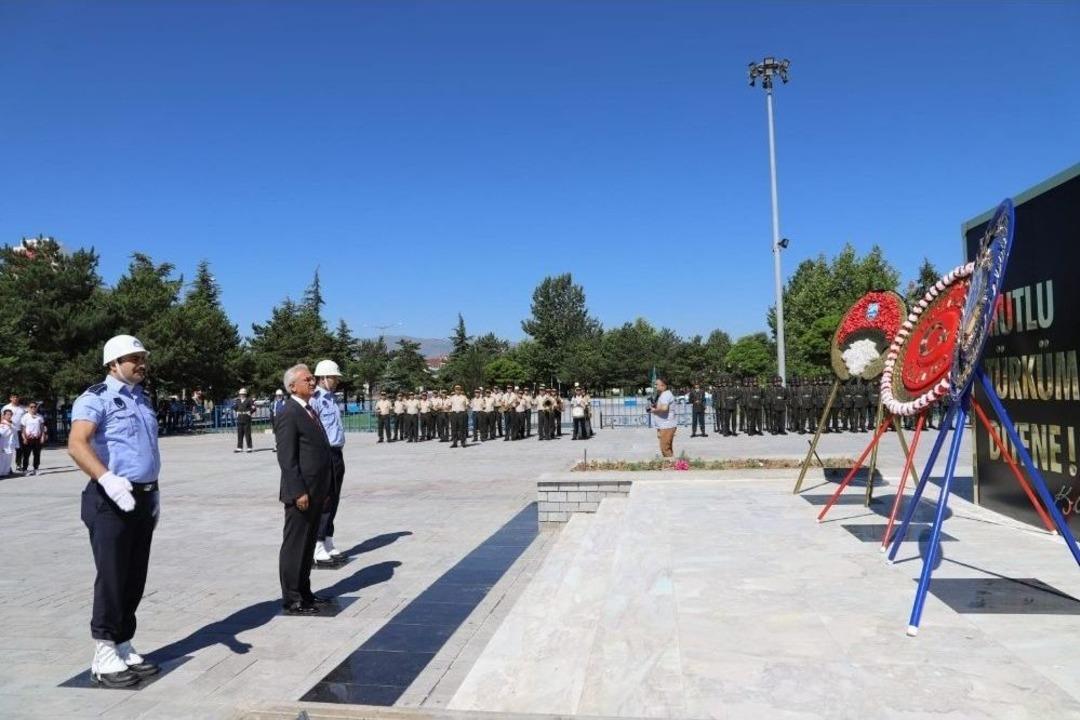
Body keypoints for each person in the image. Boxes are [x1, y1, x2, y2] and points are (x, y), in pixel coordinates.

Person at [68, 335, 161, 688]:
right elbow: (77, 444)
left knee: (135, 575)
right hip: (110, 499)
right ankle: (104, 651)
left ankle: (123, 641)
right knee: (112, 575)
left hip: (141, 497)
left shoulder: (142, 399)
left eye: (142, 357)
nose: (141, 363)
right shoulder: (96, 398)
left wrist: (153, 495)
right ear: (113, 363)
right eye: (133, 358)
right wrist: (106, 478)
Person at [274, 363, 333, 615]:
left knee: (308, 545)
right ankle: (293, 597)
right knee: (295, 545)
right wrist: (298, 491)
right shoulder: (289, 412)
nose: (312, 382)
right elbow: (287, 459)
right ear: (292, 386)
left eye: (312, 378)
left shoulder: (309, 409)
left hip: (316, 489)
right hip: (301, 492)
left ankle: (305, 591)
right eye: (307, 379)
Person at [312, 360, 347, 564]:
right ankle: (316, 545)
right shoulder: (316, 399)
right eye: (333, 377)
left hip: (337, 453)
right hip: (324, 454)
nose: (336, 381)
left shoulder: (332, 398)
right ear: (323, 377)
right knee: (324, 500)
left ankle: (328, 540)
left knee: (334, 498)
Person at [647, 377, 677, 458]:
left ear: (663, 385)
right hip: (665, 425)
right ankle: (671, 465)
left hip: (667, 425)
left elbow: (664, 408)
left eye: (657, 384)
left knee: (665, 448)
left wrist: (654, 410)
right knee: (667, 448)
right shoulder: (664, 394)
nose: (655, 386)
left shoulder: (666, 394)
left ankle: (672, 466)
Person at [19, 401, 47, 475]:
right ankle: (25, 469)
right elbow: (23, 429)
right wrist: (24, 438)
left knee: (37, 454)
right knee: (26, 455)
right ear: (28, 408)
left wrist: (42, 436)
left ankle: (36, 469)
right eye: (31, 407)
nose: (33, 408)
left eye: (35, 407)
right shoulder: (25, 417)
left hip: (37, 438)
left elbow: (42, 428)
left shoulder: (40, 417)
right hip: (28, 438)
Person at [2, 394, 26, 473]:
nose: (15, 398)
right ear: (10, 398)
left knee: (19, 449)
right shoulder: (6, 407)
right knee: (7, 450)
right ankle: (7, 468)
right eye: (13, 397)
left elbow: (25, 420)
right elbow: (1, 418)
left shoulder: (22, 408)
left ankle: (18, 465)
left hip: (18, 430)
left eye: (17, 397)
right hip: (8, 431)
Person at [234, 389, 255, 453]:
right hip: (240, 418)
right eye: (241, 394)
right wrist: (237, 411)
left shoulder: (249, 400)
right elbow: (235, 407)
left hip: (246, 418)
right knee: (240, 433)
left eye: (243, 394)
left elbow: (254, 408)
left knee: (247, 433)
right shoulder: (238, 401)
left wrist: (250, 412)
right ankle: (239, 447)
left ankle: (249, 447)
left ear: (245, 394)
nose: (241, 395)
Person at [0, 409, 16, 476]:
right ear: (4, 415)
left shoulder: (11, 423)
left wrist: (9, 424)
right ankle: (1, 473)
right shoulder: (2, 424)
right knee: (2, 460)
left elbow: (15, 429)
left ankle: (6, 473)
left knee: (8, 460)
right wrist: (9, 425)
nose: (9, 416)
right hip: (3, 445)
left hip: (10, 445)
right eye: (8, 414)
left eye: (10, 414)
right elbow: (2, 434)